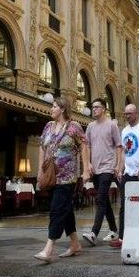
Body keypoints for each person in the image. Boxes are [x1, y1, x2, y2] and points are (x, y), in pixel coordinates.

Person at [34, 97, 86, 262]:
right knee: (65, 210)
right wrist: (40, 171)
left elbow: (84, 145)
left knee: (57, 210)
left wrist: (86, 168)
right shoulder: (48, 126)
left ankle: (48, 249)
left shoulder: (74, 127)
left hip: (67, 177)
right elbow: (42, 147)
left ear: (62, 109)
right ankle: (75, 244)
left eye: (54, 106)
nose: (51, 108)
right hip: (51, 176)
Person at [110, 104, 139, 249]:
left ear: (136, 114)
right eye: (125, 114)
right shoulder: (125, 131)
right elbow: (124, 152)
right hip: (128, 174)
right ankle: (122, 238)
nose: (127, 116)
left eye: (129, 113)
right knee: (124, 206)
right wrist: (120, 168)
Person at [81, 98, 122, 246]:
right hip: (95, 169)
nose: (94, 109)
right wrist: (89, 163)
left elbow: (118, 146)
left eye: (97, 107)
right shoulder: (90, 126)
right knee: (104, 200)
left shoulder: (112, 125)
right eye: (93, 107)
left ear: (104, 109)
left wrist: (117, 165)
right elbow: (88, 147)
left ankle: (94, 233)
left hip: (107, 167)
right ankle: (113, 230)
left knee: (100, 199)